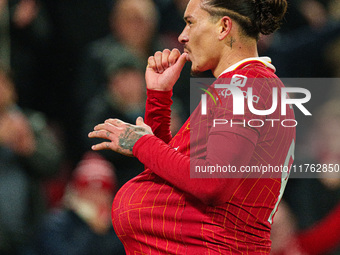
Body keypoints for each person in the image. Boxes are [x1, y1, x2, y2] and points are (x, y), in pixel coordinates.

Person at [88, 0, 295, 254]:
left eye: (190, 22)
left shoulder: (245, 86)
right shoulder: (244, 86)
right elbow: (165, 175)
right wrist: (158, 98)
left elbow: (212, 181)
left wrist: (141, 143)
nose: (182, 36)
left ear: (223, 27)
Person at [35, 152, 126, 255]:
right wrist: (91, 228)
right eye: (89, 193)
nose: (96, 199)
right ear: (77, 193)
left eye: (102, 193)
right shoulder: (56, 224)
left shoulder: (119, 227)